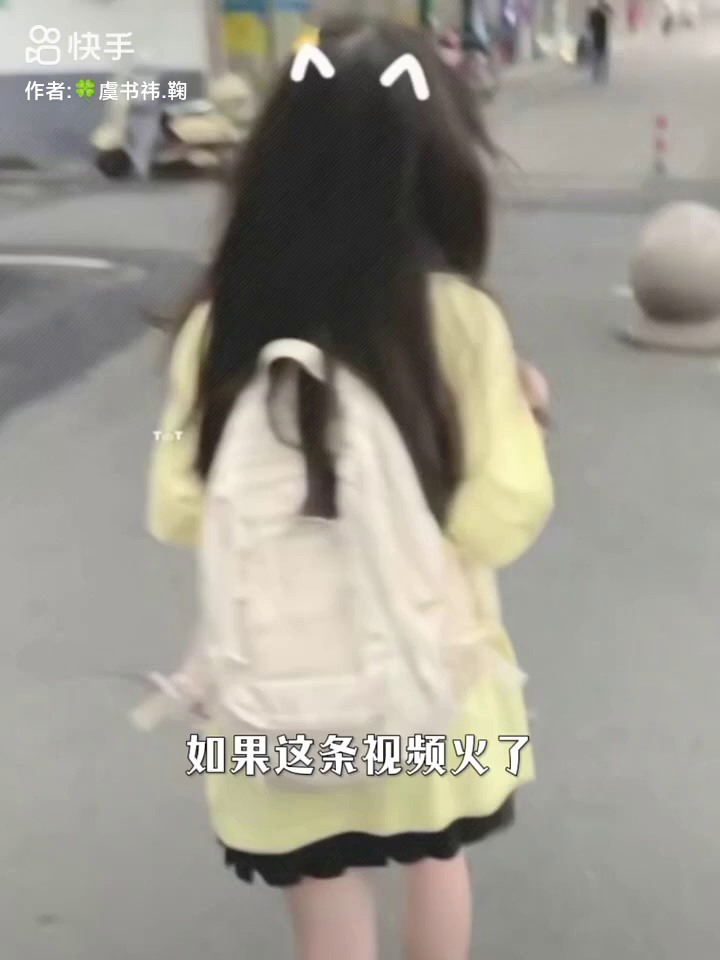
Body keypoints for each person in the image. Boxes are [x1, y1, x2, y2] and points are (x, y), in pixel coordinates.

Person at [146, 17, 553, 960]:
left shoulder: (217, 329)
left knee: (322, 885)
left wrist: (177, 427)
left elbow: (177, 500)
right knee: (436, 857)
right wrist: (521, 415)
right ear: (439, 165)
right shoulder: (461, 324)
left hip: (275, 682)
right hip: (431, 673)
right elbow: (500, 516)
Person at [587, 0, 613, 83]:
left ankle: (596, 75)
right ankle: (600, 75)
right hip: (601, 38)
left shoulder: (594, 14)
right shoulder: (601, 15)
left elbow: (589, 26)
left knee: (597, 56)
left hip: (596, 38)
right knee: (600, 56)